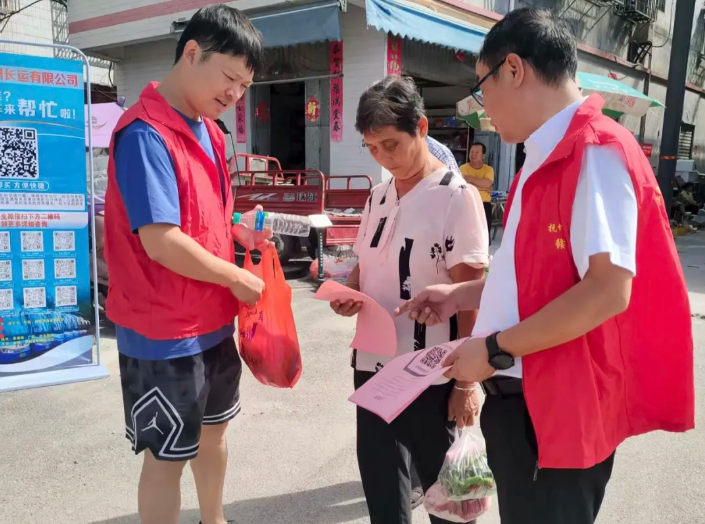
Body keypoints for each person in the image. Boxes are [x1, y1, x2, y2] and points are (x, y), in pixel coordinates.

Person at [396, 8, 694, 524]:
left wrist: (492, 348)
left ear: (514, 69)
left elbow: (607, 291)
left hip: (554, 407)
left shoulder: (593, 151)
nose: (484, 107)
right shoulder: (543, 155)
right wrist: (461, 295)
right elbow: (531, 277)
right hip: (527, 400)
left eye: (482, 88)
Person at [103, 6, 270, 524]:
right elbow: (161, 241)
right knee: (167, 455)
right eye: (230, 77)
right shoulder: (145, 134)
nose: (235, 94)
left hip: (213, 321)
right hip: (164, 331)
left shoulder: (211, 133)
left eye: (245, 86)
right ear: (193, 53)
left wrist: (239, 231)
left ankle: (213, 519)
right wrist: (236, 276)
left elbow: (205, 217)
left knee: (214, 433)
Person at [329, 75, 489, 524]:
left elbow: (471, 296)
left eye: (391, 145)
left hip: (431, 372)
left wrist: (466, 383)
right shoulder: (377, 197)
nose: (383, 157)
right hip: (372, 365)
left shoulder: (457, 197)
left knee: (448, 500)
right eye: (371, 148)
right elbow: (363, 268)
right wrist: (348, 295)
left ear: (421, 128)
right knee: (382, 485)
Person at [460, 143, 494, 244]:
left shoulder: (488, 169)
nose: (473, 154)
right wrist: (484, 188)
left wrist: (470, 179)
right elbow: (464, 186)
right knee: (467, 236)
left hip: (484, 205)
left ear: (483, 155)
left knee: (484, 236)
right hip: (467, 204)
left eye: (477, 152)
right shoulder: (462, 168)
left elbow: (488, 183)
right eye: (472, 152)